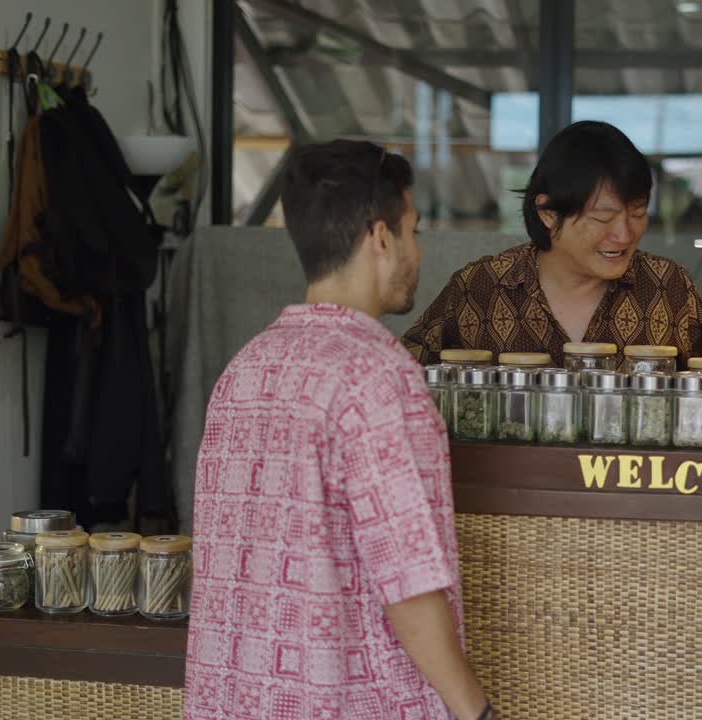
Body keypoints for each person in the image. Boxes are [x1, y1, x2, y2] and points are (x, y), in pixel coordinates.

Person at [183, 140, 495, 720]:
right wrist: (474, 710)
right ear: (380, 238)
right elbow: (409, 584)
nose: (418, 251)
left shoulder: (244, 372)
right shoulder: (378, 378)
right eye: (414, 230)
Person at [402, 120, 702, 368]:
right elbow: (403, 380)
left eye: (638, 211)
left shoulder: (669, 289)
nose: (625, 233)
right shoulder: (480, 289)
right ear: (547, 212)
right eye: (603, 217)